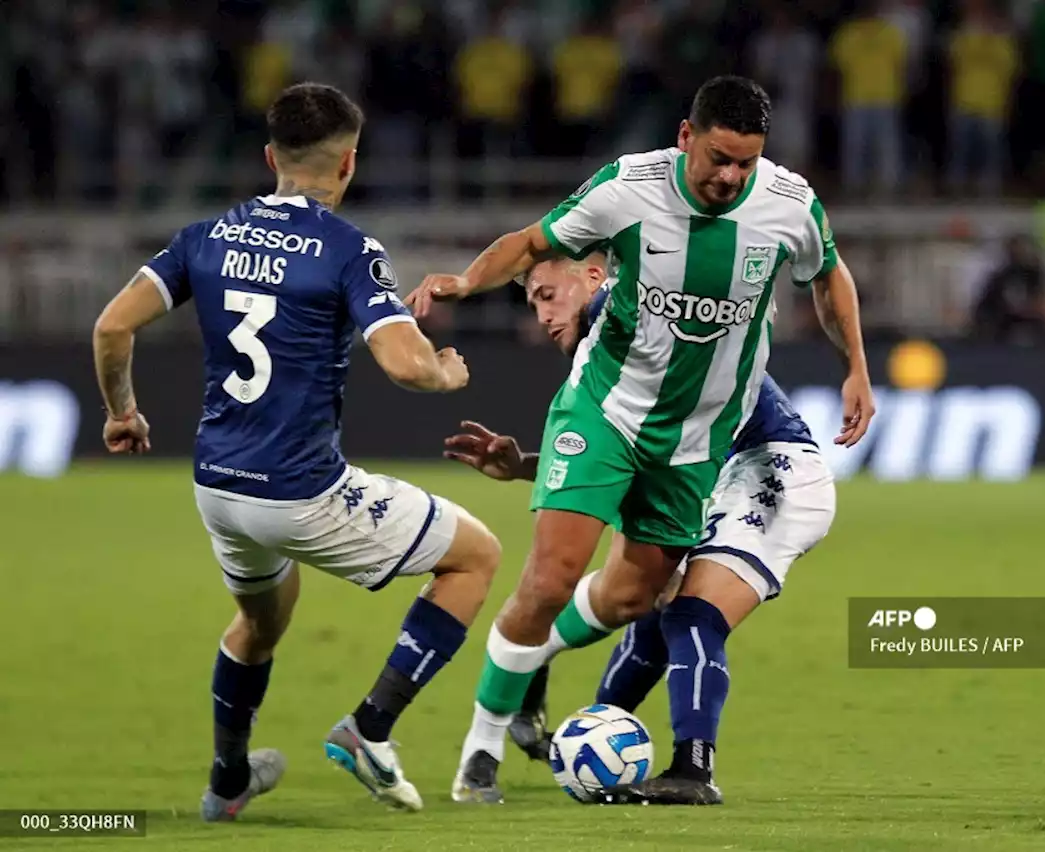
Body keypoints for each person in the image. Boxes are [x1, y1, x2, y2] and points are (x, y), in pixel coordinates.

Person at [404, 75, 874, 804]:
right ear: (686, 137)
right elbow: (534, 241)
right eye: (718, 157)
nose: (730, 176)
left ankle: (539, 677)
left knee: (632, 598)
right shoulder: (629, 188)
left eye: (745, 163)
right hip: (606, 411)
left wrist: (857, 370)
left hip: (697, 445)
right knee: (553, 576)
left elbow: (829, 275)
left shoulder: (789, 204)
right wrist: (467, 283)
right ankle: (481, 750)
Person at [90, 83, 502, 820]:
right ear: (348, 163)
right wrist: (445, 371)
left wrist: (124, 413)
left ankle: (226, 782)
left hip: (218, 485)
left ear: (269, 156)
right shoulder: (348, 250)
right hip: (299, 492)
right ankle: (370, 729)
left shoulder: (204, 237)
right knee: (476, 556)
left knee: (261, 620)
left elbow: (111, 329)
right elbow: (407, 366)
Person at [443, 251, 837, 804]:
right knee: (643, 601)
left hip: (772, 473)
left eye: (548, 295)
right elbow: (639, 445)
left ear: (595, 277)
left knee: (691, 615)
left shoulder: (632, 318)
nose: (543, 316)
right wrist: (530, 466)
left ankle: (693, 772)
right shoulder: (609, 341)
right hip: (716, 471)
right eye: (532, 305)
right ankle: (587, 720)